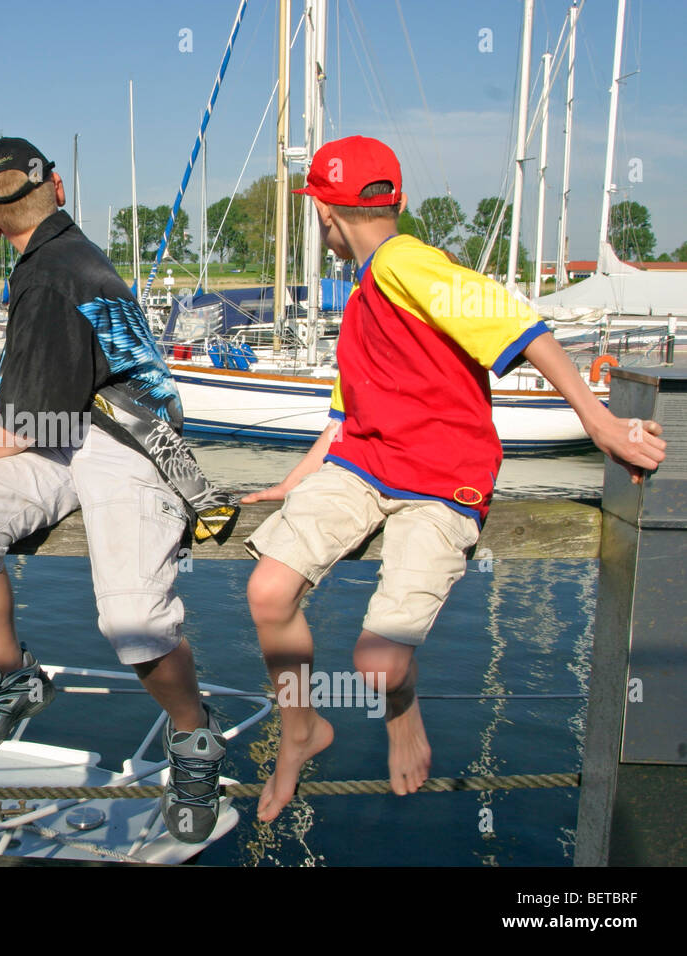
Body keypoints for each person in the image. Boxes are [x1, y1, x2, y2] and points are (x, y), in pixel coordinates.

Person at [243, 135, 667, 823]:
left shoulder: (405, 264)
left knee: (378, 665)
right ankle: (301, 729)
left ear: (323, 212)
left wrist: (600, 423)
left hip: (443, 479)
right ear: (396, 200)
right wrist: (298, 478)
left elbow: (520, 326)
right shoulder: (367, 290)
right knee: (269, 589)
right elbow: (347, 412)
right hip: (364, 464)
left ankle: (401, 713)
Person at [0, 137, 238, 844]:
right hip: (67, 433)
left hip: (126, 443)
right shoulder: (53, 263)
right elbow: (11, 386)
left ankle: (195, 737)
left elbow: (33, 419)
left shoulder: (55, 272)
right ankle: (11, 677)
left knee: (133, 620)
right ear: (57, 187)